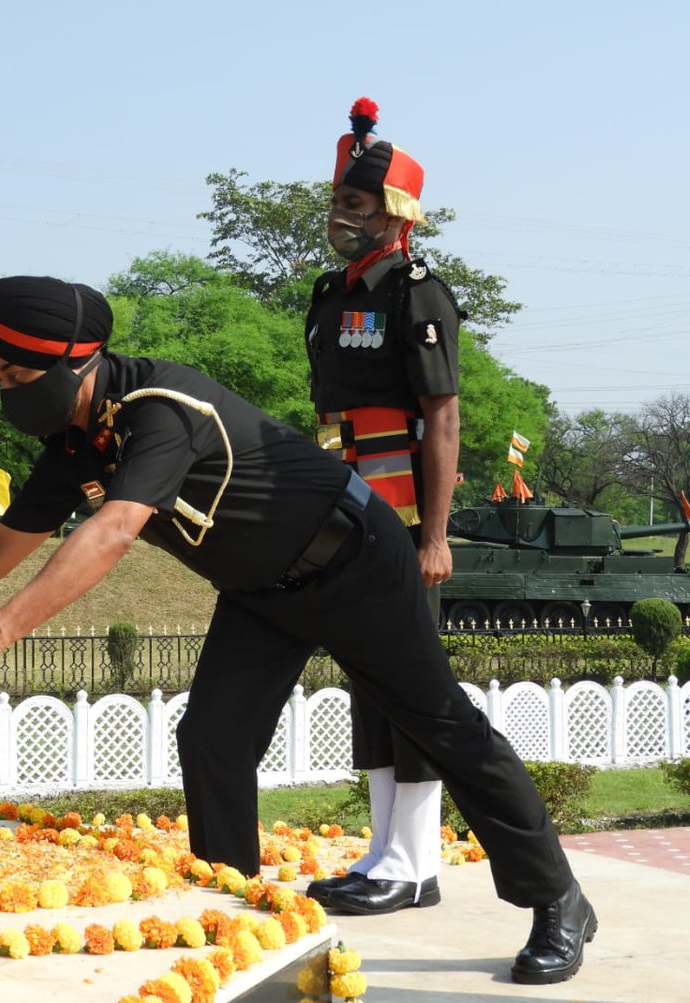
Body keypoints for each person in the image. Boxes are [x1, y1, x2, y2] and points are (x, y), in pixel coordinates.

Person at [0, 275, 595, 985]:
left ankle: (558, 899)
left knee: (441, 723)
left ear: (76, 360)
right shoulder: (76, 446)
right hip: (259, 591)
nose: (7, 392)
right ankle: (235, 910)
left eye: (17, 374)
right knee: (213, 734)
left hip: (355, 560)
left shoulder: (159, 410)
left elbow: (113, 532)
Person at [302, 97, 460, 916]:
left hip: (402, 522)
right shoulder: (330, 295)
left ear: (393, 214)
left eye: (354, 205)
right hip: (348, 516)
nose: (339, 217)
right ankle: (382, 852)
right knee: (368, 680)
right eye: (337, 202)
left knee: (412, 685)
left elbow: (441, 418)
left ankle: (416, 860)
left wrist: (434, 534)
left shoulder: (419, 295)